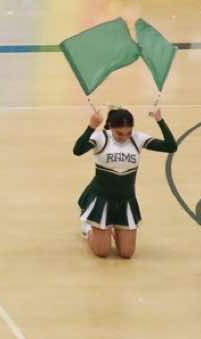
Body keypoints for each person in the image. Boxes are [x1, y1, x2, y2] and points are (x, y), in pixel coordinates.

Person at [73, 104, 178, 260]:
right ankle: (88, 228)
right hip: (102, 200)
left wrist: (159, 120)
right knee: (102, 252)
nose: (124, 137)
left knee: (126, 253)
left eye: (128, 132)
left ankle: (112, 229)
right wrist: (91, 126)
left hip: (126, 201)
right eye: (119, 133)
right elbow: (78, 150)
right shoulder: (101, 138)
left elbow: (171, 146)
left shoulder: (138, 139)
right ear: (111, 127)